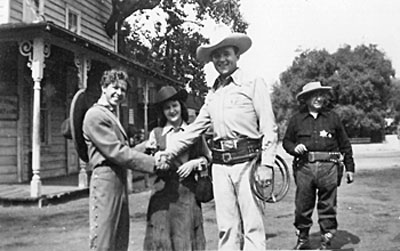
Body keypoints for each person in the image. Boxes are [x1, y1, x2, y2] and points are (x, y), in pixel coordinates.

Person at [155, 25, 278, 251]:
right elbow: (194, 129)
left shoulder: (253, 84)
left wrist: (267, 164)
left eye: (226, 54)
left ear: (236, 55)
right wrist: (169, 151)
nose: (222, 59)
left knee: (252, 227)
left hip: (248, 161)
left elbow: (269, 127)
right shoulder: (213, 94)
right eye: (216, 56)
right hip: (220, 166)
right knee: (227, 228)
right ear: (212, 61)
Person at [82, 69, 155, 251]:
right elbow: (116, 152)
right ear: (103, 87)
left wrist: (146, 145)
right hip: (105, 179)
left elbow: (122, 151)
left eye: (123, 90)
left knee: (120, 238)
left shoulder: (111, 114)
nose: (119, 93)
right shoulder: (95, 115)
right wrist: (153, 163)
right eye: (115, 88)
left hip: (118, 179)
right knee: (104, 239)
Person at [282, 81, 355, 250]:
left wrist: (350, 167)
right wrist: (294, 148)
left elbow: (345, 144)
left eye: (321, 95)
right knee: (302, 206)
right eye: (314, 95)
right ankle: (302, 238)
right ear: (306, 99)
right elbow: (287, 141)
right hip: (304, 168)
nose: (318, 98)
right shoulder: (297, 119)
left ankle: (327, 240)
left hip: (329, 168)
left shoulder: (333, 117)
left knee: (328, 206)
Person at [142, 86, 210, 251]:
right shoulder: (156, 134)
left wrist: (194, 163)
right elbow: (149, 162)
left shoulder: (194, 132)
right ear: (162, 112)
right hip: (162, 196)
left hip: (187, 195)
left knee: (185, 241)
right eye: (167, 108)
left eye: (175, 106)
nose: (172, 111)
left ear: (181, 106)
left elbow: (207, 157)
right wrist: (156, 161)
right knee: (161, 241)